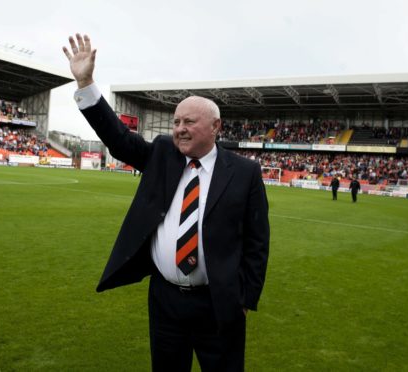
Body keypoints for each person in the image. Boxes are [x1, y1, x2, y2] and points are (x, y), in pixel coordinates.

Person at [63, 34, 270, 372]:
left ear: (216, 126)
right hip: (165, 301)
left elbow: (258, 241)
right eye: (176, 122)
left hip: (218, 303)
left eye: (189, 121)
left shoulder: (245, 172)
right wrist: (86, 82)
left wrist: (246, 299)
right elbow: (118, 139)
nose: (180, 129)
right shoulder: (163, 153)